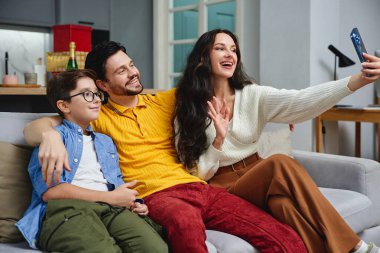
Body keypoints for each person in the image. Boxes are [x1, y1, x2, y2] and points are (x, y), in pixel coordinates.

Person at [23, 42, 308, 253]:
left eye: (131, 64)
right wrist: (50, 136)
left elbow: (224, 88)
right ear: (103, 85)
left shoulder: (162, 101)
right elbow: (42, 126)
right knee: (185, 228)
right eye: (121, 71)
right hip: (157, 197)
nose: (133, 73)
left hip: (198, 187)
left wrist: (275, 112)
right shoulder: (97, 114)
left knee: (278, 234)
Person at [174, 29, 380, 253]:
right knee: (279, 162)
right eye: (220, 48)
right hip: (223, 188)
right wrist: (218, 141)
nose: (229, 55)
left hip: (259, 175)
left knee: (283, 205)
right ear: (203, 57)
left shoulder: (252, 95)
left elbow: (300, 100)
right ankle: (356, 247)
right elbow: (195, 174)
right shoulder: (187, 106)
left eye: (233, 49)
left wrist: (357, 81)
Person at [17, 70, 168, 253]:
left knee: (156, 249)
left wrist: (133, 202)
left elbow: (115, 182)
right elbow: (51, 193)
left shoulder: (105, 141)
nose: (97, 100)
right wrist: (111, 198)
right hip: (69, 209)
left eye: (97, 94)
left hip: (111, 208)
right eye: (87, 94)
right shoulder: (53, 140)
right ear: (64, 106)